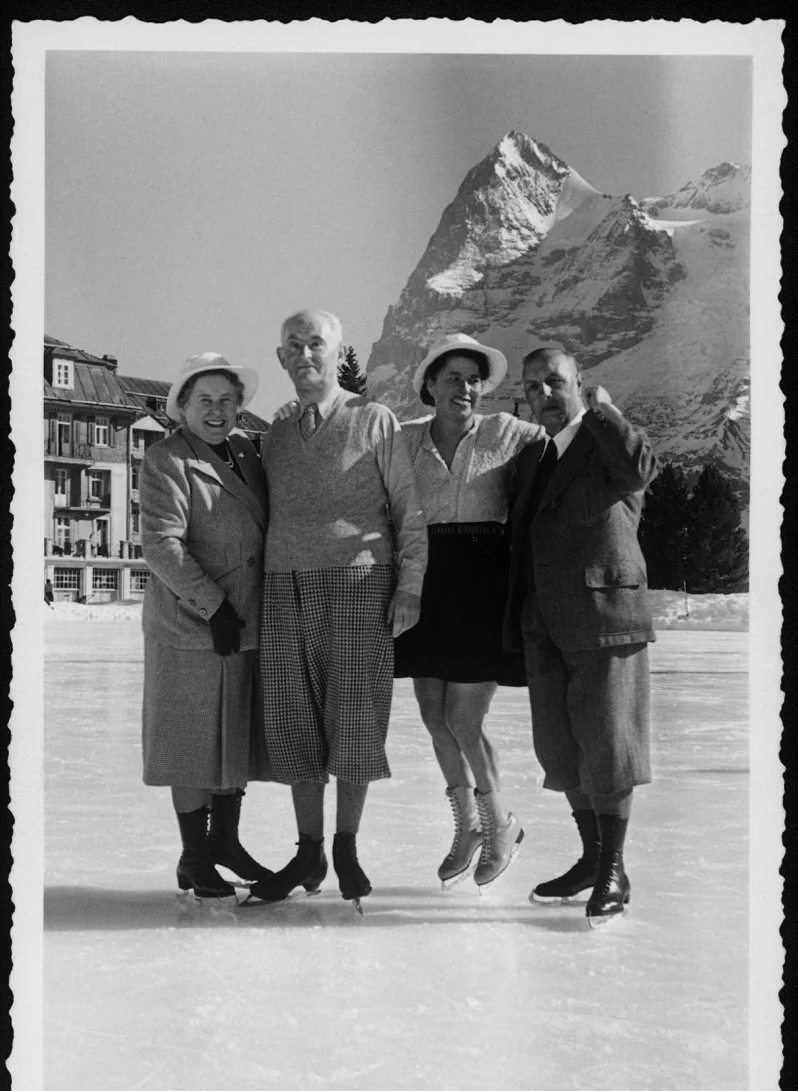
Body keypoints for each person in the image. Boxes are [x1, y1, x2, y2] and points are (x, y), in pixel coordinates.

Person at [248, 309, 427, 909]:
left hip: (359, 584)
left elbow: (408, 508)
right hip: (282, 588)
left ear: (336, 350)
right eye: (292, 345)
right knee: (293, 722)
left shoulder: (373, 419)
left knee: (354, 717)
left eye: (316, 344)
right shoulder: (273, 433)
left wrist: (411, 584)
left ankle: (346, 846)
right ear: (281, 358)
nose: (305, 354)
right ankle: (308, 851)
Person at [504, 346, 658, 927]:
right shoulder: (531, 458)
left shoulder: (604, 443)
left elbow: (642, 468)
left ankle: (614, 868)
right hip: (544, 622)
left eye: (555, 382)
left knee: (609, 744)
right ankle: (593, 859)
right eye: (533, 386)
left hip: (604, 615)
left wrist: (604, 413)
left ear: (579, 385)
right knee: (562, 749)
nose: (544, 395)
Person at [394, 333, 543, 890]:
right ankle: (470, 826)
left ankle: (500, 821)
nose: (466, 388)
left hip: (483, 582)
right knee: (434, 717)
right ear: (430, 384)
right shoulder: (402, 439)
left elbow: (568, 436)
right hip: (422, 578)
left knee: (464, 719)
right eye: (453, 377)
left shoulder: (511, 432)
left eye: (474, 379)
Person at [140, 352, 272, 901]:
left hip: (245, 620)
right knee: (193, 740)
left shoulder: (246, 451)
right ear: (184, 407)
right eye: (205, 401)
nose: (217, 411)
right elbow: (161, 545)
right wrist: (213, 607)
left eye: (226, 400)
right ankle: (196, 855)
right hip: (191, 624)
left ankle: (227, 844)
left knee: (232, 736)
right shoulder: (166, 458)